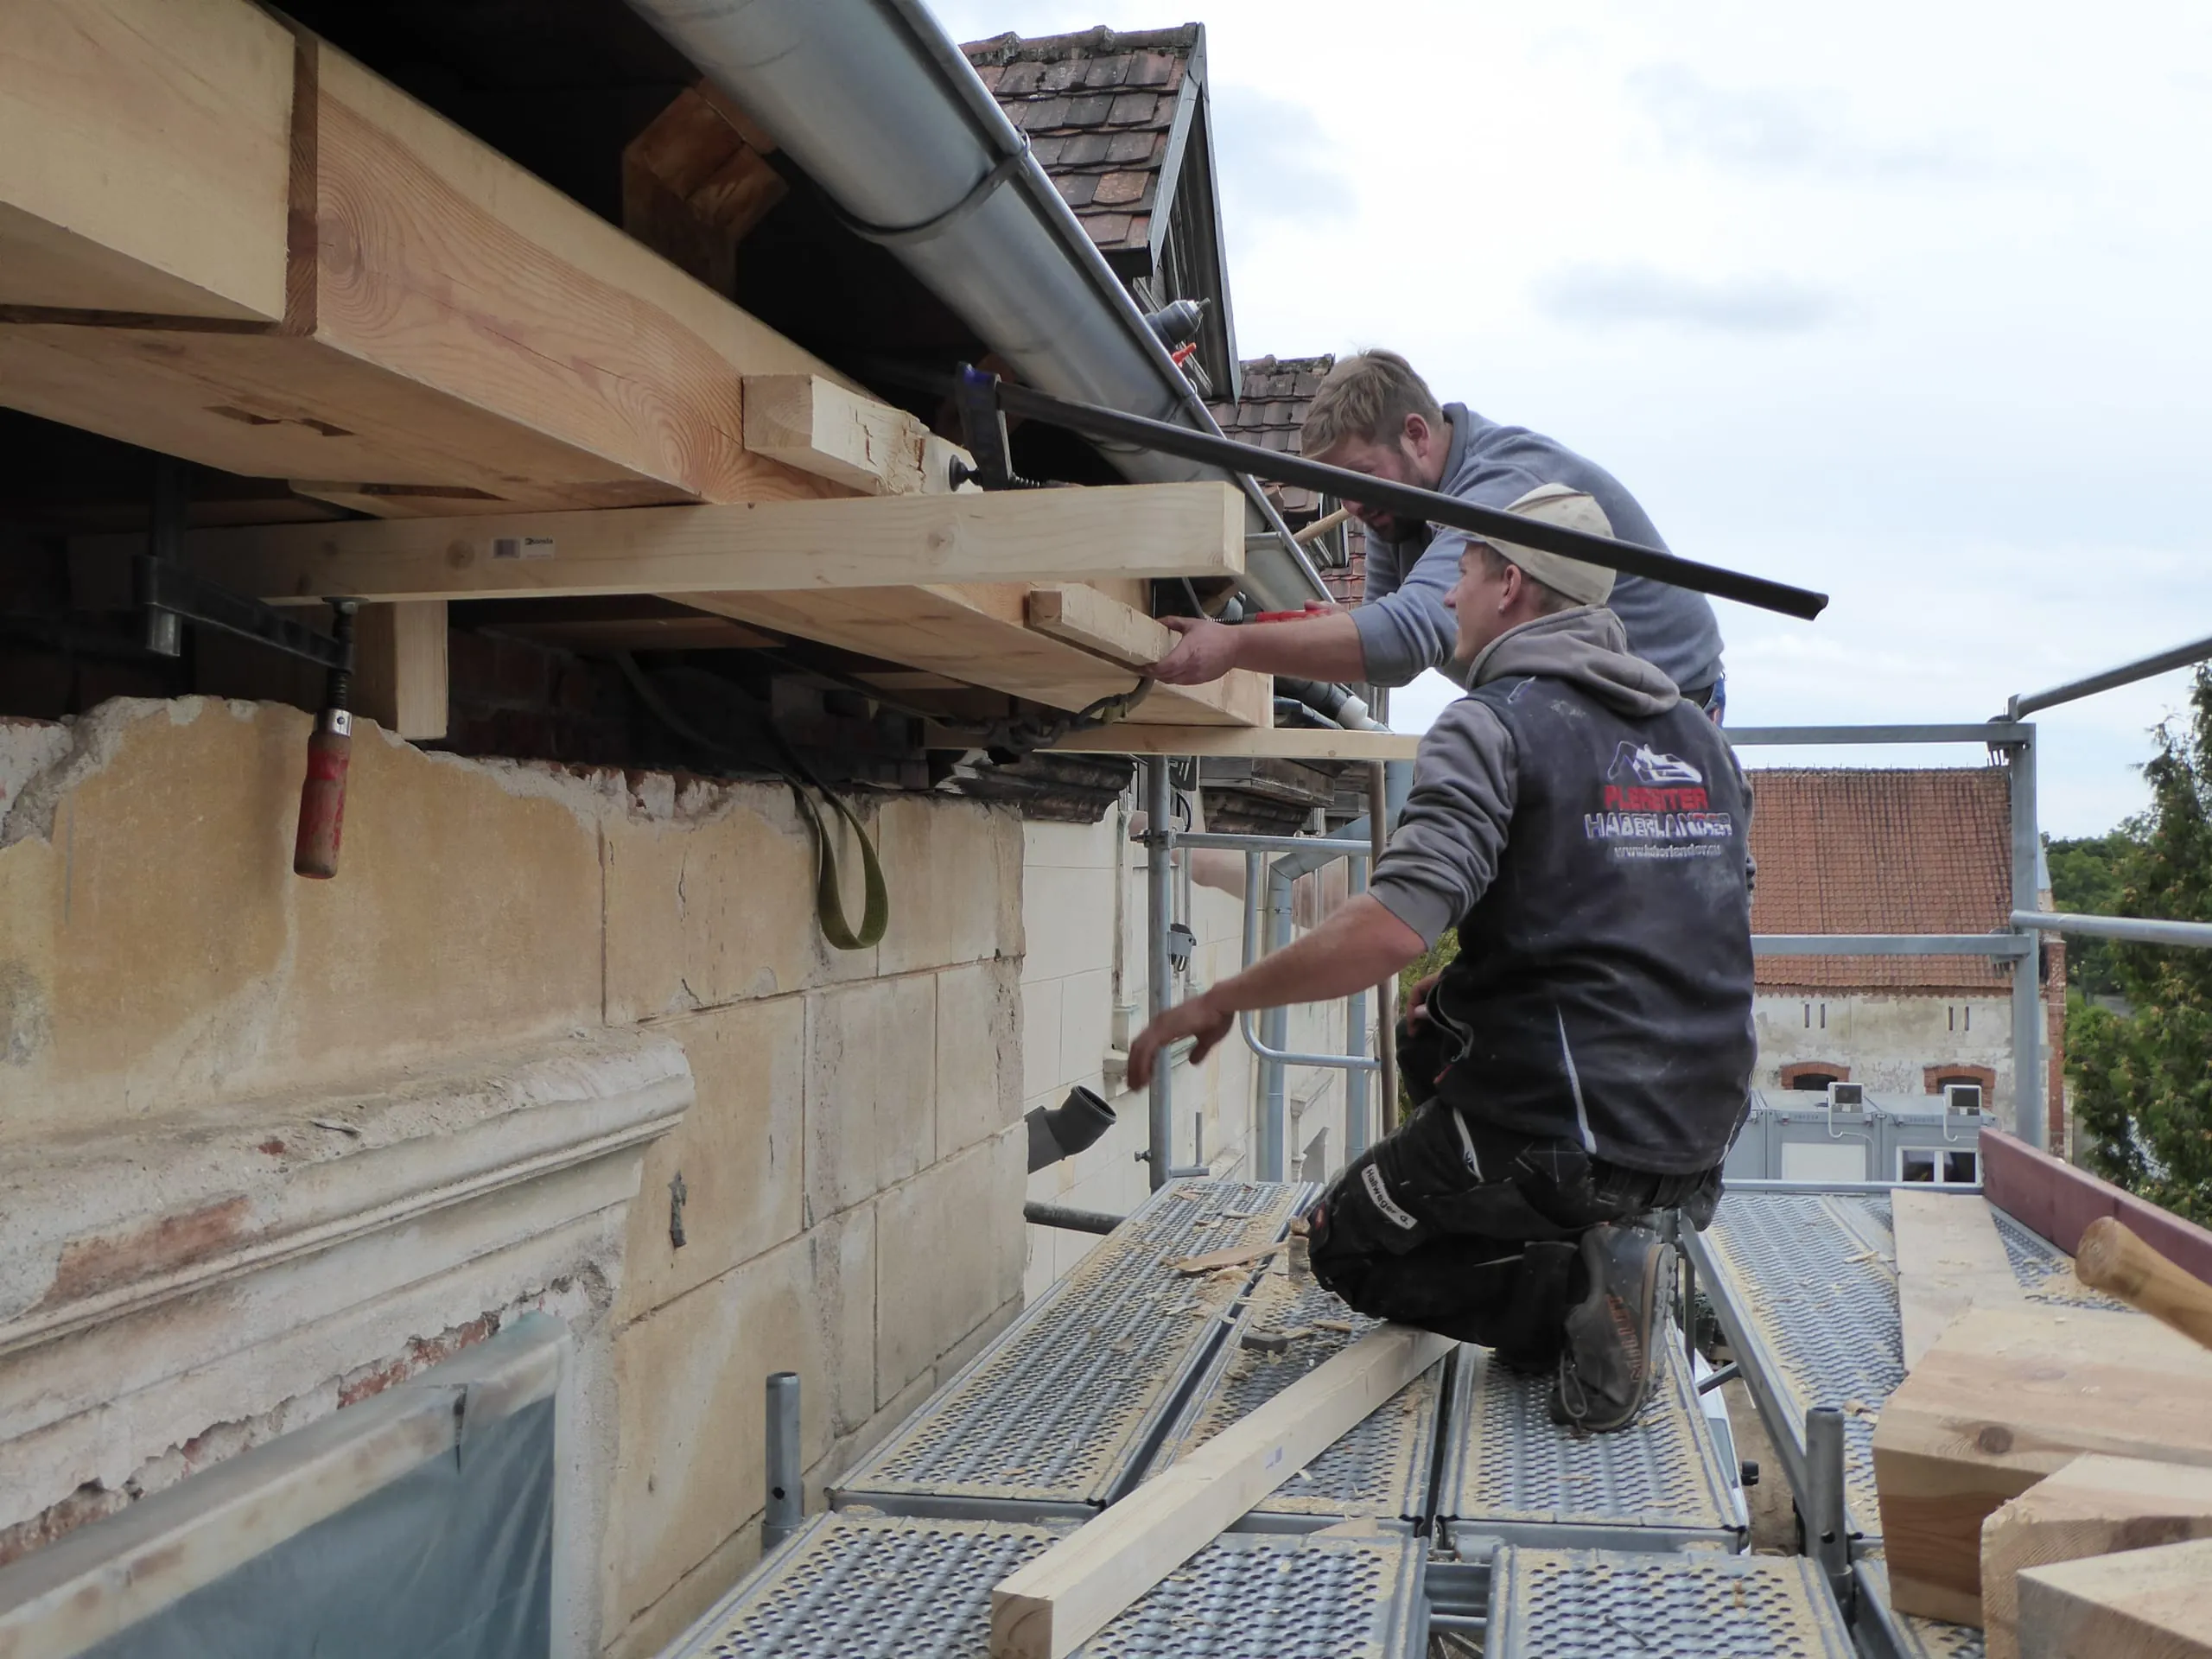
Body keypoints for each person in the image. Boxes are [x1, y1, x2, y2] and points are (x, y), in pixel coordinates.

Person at [1126, 485, 1755, 1432]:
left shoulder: (1494, 724)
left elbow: (1387, 927)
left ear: (1508, 584)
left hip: (1572, 1135)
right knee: (1435, 1031)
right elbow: (1647, 929)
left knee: (1346, 1246)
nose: (1446, 598)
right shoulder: (1701, 741)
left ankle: (1588, 1291)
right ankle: (1615, 1251)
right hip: (1698, 1139)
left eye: (1457, 573)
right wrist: (1460, 1002)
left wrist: (1221, 998)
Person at [1151, 351, 1729, 720]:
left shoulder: (1501, 486)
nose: (1353, 506)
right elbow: (1390, 650)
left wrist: (1234, 646)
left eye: (1361, 478)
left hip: (1663, 711)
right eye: (1338, 489)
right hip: (1571, 710)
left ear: (1417, 435)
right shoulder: (1396, 502)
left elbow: (1404, 637)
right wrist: (1336, 629)